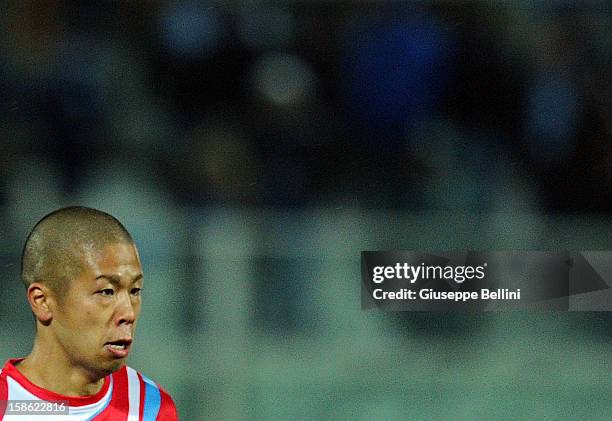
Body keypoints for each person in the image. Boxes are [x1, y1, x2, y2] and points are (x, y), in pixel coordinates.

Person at [0, 207, 178, 420]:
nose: (128, 313)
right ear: (43, 301)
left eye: (135, 291)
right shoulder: (5, 405)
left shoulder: (149, 406)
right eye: (106, 292)